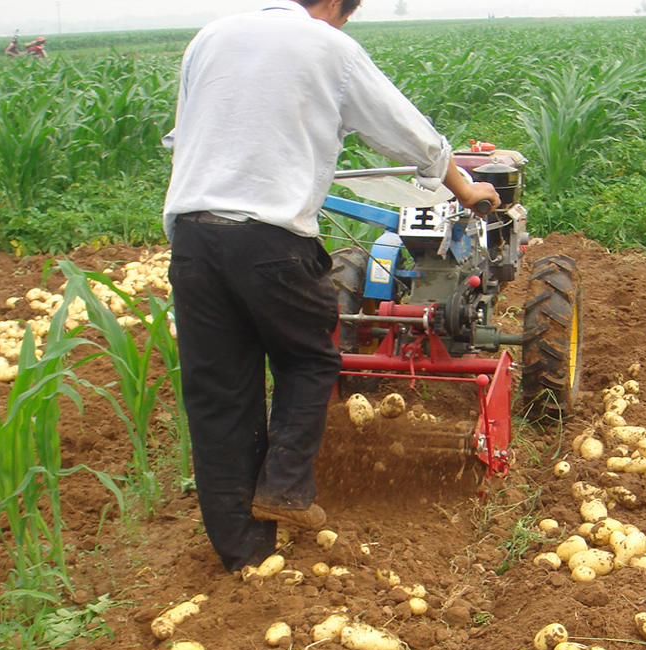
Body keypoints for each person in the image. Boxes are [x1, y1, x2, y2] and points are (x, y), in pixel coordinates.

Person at [162, 0, 500, 573]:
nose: (344, 23)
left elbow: (185, 135)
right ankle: (286, 486)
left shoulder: (210, 38)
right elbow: (412, 136)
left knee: (218, 397)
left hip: (192, 240)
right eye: (349, 14)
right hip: (270, 242)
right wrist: (465, 190)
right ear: (337, 6)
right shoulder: (328, 45)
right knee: (311, 359)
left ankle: (244, 554)